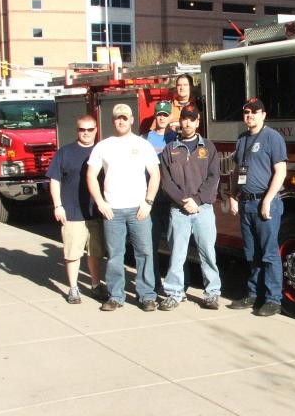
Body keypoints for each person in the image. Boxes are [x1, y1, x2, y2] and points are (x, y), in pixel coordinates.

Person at [87, 103, 161, 312]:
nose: (121, 121)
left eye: (125, 117)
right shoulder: (103, 146)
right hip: (113, 211)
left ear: (131, 120)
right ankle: (116, 296)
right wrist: (101, 202)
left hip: (139, 210)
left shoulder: (143, 144)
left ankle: (147, 296)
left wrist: (148, 202)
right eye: (117, 118)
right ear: (113, 121)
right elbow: (91, 175)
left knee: (145, 253)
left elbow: (155, 174)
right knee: (115, 255)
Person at [158, 104, 221, 311]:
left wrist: (198, 200)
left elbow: (213, 178)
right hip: (179, 210)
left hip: (203, 210)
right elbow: (166, 181)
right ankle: (174, 293)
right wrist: (183, 200)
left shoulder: (208, 148)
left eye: (192, 119)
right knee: (177, 253)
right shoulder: (170, 149)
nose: (187, 122)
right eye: (184, 118)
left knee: (207, 252)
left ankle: (212, 293)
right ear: (180, 121)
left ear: (197, 122)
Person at [228, 98, 287, 317]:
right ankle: (254, 294)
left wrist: (268, 200)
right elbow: (237, 171)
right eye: (246, 112)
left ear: (263, 114)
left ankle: (273, 300)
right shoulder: (242, 139)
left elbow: (280, 171)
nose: (249, 115)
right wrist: (233, 195)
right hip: (246, 202)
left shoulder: (273, 138)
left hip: (265, 203)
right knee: (252, 253)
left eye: (254, 112)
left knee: (269, 253)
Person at [46, 114, 107, 304]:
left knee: (95, 253)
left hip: (97, 212)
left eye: (90, 129)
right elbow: (54, 180)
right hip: (72, 212)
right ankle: (73, 289)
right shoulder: (65, 152)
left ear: (96, 130)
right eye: (82, 130)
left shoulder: (103, 151)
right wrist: (58, 205)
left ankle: (96, 286)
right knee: (73, 254)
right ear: (77, 131)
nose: (86, 133)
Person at [144, 100, 177, 292]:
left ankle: (175, 286)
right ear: (155, 116)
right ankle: (154, 284)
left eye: (165, 114)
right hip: (153, 200)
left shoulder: (177, 138)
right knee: (151, 245)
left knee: (176, 245)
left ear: (170, 116)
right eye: (159, 115)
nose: (162, 118)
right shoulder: (145, 139)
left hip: (172, 199)